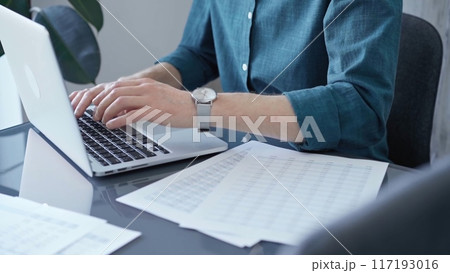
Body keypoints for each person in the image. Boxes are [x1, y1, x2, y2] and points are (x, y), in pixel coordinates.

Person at [70, 0, 402, 161]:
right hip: (241, 156)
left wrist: (198, 108)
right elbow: (199, 52)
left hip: (332, 170)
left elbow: (361, 107)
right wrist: (135, 86)